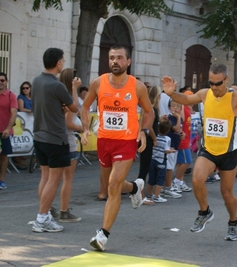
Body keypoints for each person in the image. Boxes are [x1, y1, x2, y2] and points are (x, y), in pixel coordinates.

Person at [161, 63, 237, 241]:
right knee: (196, 180)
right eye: (211, 82)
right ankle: (205, 212)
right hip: (209, 150)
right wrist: (171, 93)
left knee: (226, 193)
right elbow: (186, 100)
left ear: (226, 80)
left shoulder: (235, 97)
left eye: (218, 83)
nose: (214, 87)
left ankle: (233, 223)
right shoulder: (205, 94)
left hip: (229, 153)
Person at [80, 45, 154, 251]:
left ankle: (102, 235)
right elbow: (84, 107)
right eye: (112, 58)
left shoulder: (137, 86)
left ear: (128, 61)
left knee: (113, 185)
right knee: (110, 186)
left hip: (126, 141)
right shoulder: (98, 83)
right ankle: (135, 188)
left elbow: (149, 112)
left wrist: (143, 131)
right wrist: (86, 128)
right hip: (105, 140)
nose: (115, 61)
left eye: (120, 58)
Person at [31, 48, 79, 233]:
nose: (63, 63)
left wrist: (61, 108)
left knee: (45, 177)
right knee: (54, 180)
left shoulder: (36, 81)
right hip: (56, 138)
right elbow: (74, 107)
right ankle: (42, 218)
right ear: (58, 63)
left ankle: (44, 214)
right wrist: (74, 89)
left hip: (39, 135)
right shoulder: (57, 85)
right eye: (63, 60)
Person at [50, 68, 83, 222]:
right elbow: (69, 122)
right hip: (67, 141)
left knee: (52, 178)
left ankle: (48, 208)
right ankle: (64, 210)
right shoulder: (69, 96)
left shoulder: (57, 95)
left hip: (54, 139)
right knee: (66, 179)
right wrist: (83, 128)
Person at [126, 85, 160, 205]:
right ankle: (140, 195)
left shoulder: (146, 108)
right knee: (144, 169)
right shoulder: (152, 110)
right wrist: (155, 139)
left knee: (144, 167)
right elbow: (149, 126)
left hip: (143, 138)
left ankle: (138, 192)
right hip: (147, 140)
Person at [0, 72, 18, 190]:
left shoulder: (11, 96)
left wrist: (8, 128)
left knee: (3, 156)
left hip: (5, 131)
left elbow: (14, 113)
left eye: (2, 80)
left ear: (6, 81)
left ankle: (2, 181)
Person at [146, 117, 175, 203]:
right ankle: (157, 196)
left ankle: (149, 194)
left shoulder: (155, 137)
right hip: (161, 160)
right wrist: (172, 151)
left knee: (151, 178)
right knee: (160, 179)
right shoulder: (167, 139)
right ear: (168, 130)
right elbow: (165, 150)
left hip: (152, 159)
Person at [161, 100, 183, 199]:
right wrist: (178, 118)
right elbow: (176, 129)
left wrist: (183, 134)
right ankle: (167, 188)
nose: (175, 108)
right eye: (173, 106)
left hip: (175, 145)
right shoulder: (170, 118)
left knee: (171, 167)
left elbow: (180, 131)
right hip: (170, 146)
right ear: (169, 108)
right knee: (169, 168)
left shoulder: (178, 118)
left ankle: (166, 187)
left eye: (177, 106)